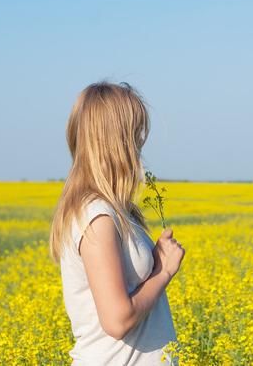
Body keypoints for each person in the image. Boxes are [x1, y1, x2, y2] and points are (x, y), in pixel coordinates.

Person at [49, 80, 185, 365]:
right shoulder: (97, 217)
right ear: (115, 141)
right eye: (135, 134)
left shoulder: (117, 211)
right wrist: (163, 270)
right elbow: (117, 320)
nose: (139, 145)